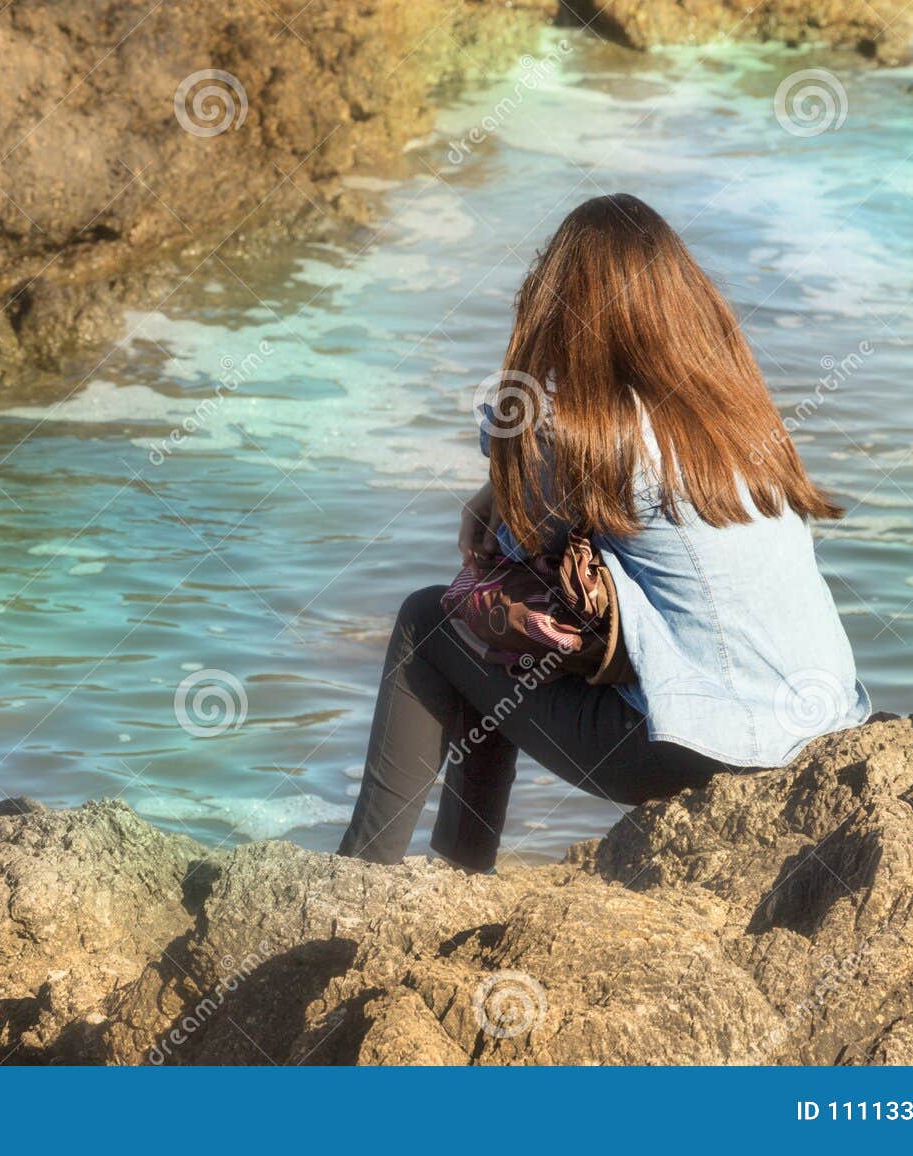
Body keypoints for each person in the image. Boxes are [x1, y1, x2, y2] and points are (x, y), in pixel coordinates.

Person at [338, 193, 870, 872]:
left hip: (709, 747)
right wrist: (499, 487)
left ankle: (365, 870)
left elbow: (512, 543)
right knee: (501, 635)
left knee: (434, 622)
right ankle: (462, 872)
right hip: (824, 726)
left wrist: (501, 473)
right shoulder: (736, 416)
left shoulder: (594, 439)